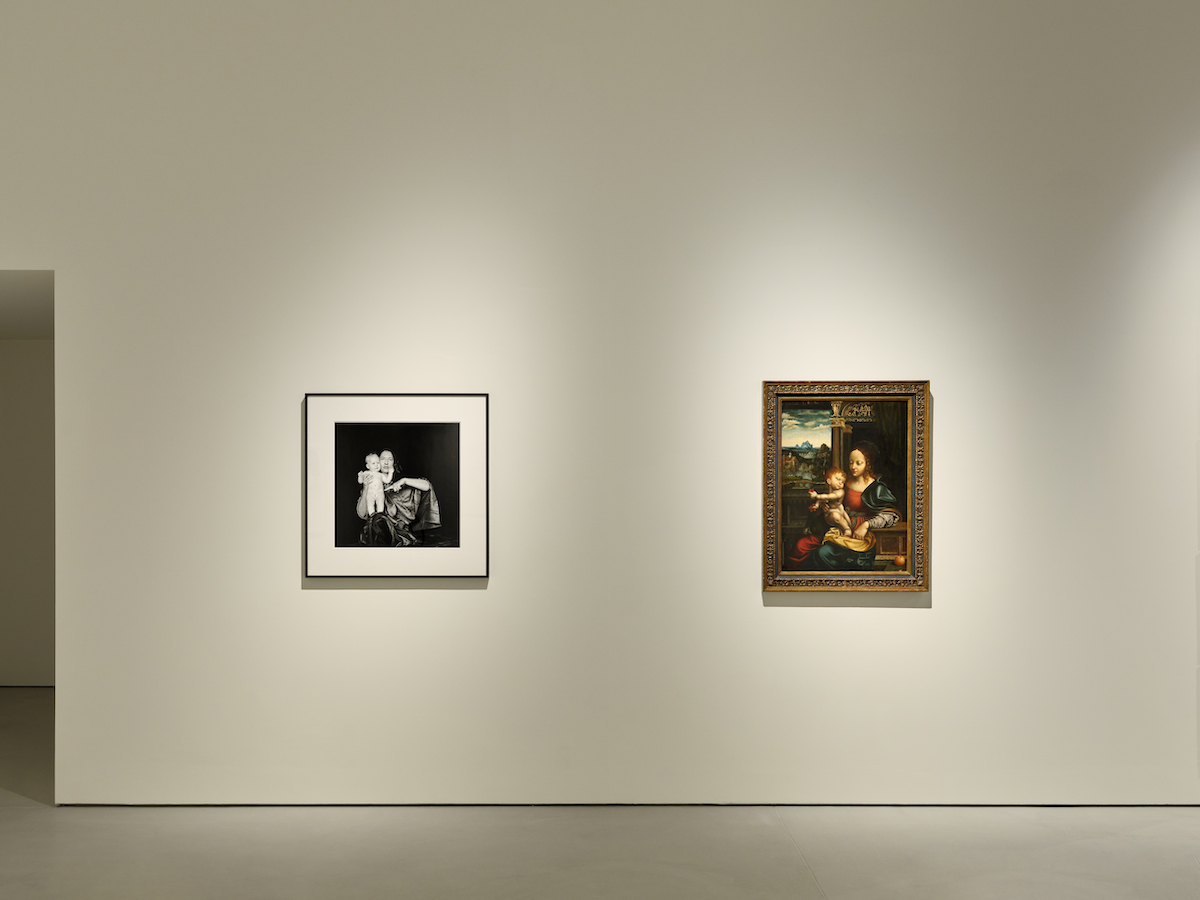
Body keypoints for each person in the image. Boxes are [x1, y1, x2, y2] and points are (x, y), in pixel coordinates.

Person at [788, 441, 901, 571]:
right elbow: (832, 503)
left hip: (859, 534)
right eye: (851, 462)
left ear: (868, 464)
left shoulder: (876, 488)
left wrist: (866, 525)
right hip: (837, 526)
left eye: (858, 463)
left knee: (822, 554)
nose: (853, 466)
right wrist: (824, 508)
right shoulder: (843, 484)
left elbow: (891, 515)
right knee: (801, 546)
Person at [356, 448, 442, 546]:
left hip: (400, 535)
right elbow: (362, 513)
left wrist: (404, 480)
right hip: (377, 535)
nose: (386, 462)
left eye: (390, 459)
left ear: (394, 463)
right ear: (376, 462)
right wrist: (366, 488)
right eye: (383, 459)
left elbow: (427, 486)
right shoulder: (370, 486)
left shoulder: (399, 486)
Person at [808, 467, 852, 536]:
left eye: (843, 482)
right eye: (838, 479)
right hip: (828, 515)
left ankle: (847, 529)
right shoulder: (826, 493)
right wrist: (816, 505)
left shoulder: (840, 492)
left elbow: (830, 497)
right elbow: (821, 500)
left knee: (836, 517)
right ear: (829, 481)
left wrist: (817, 496)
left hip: (838, 511)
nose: (840, 483)